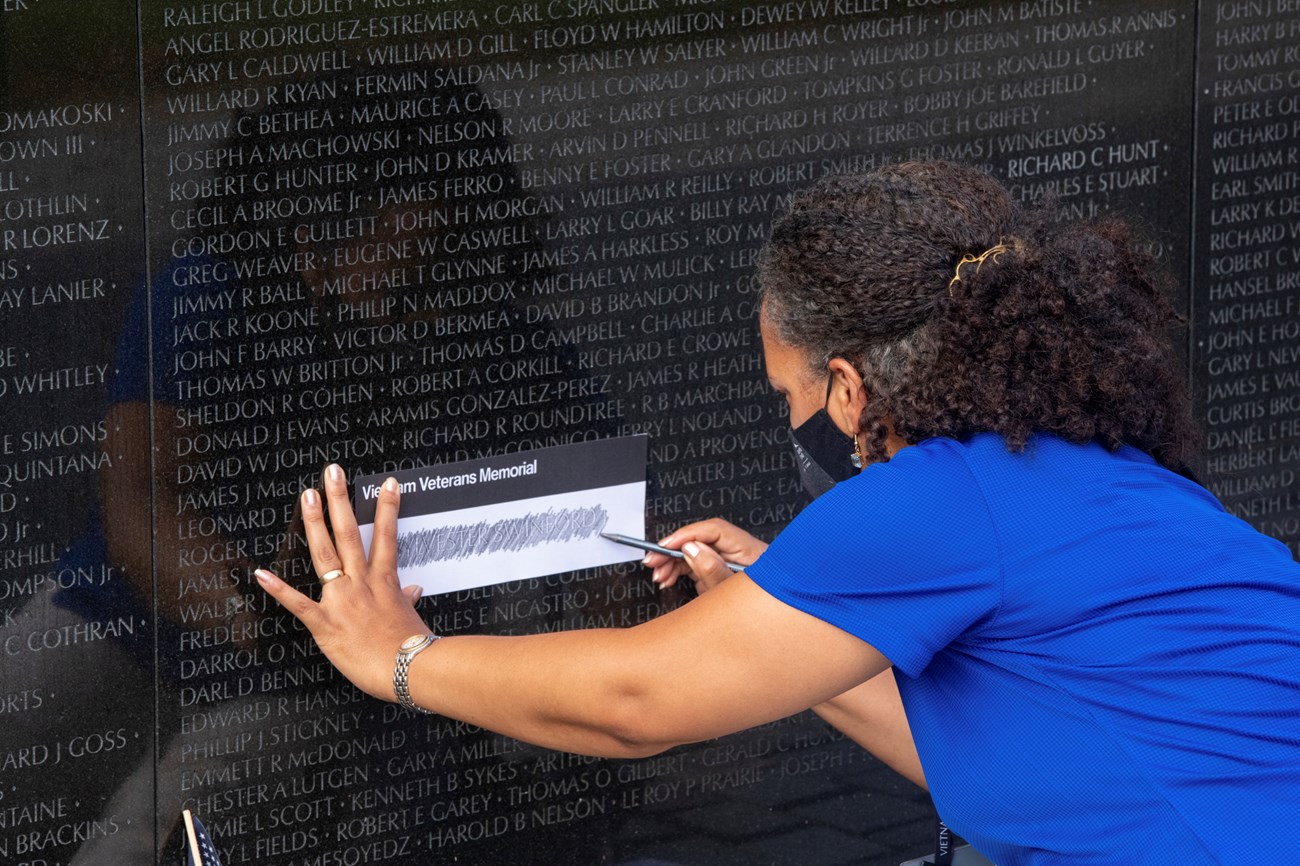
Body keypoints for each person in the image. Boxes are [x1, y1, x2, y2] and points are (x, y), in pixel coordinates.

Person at [256, 160, 1300, 865]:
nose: (794, 418)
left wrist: (400, 654)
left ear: (848, 388)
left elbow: (634, 698)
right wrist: (773, 608)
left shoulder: (929, 499)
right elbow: (998, 765)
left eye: (785, 391)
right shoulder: (1099, 469)